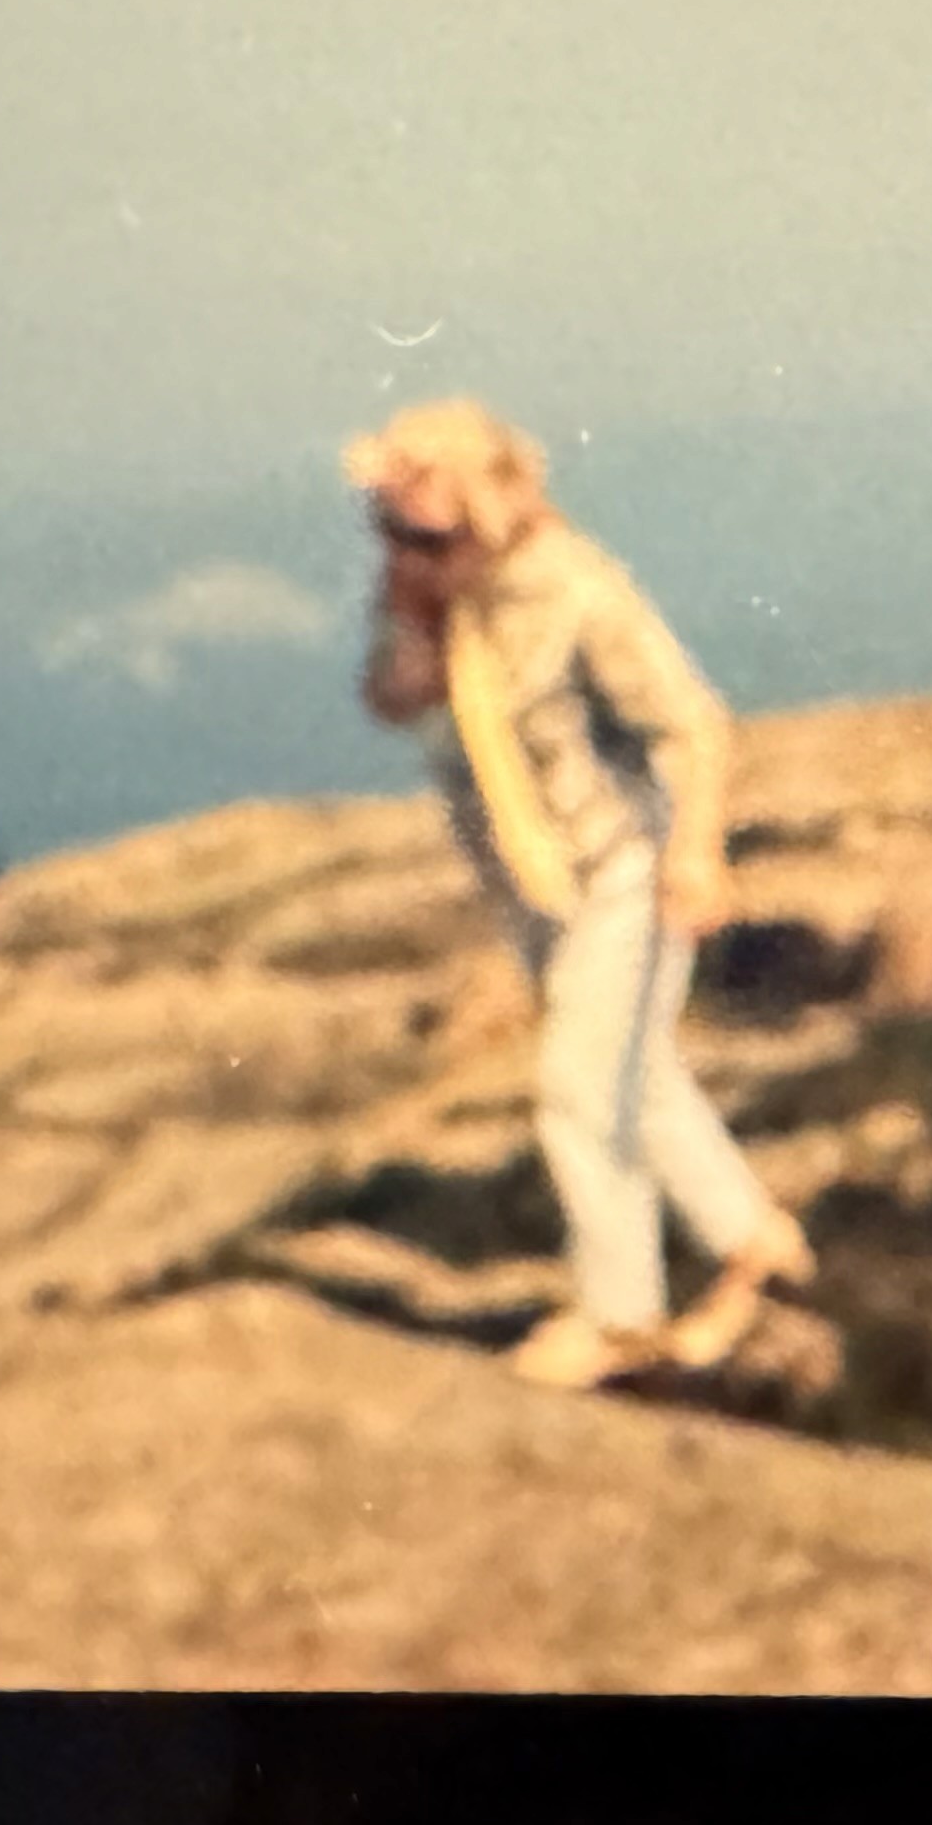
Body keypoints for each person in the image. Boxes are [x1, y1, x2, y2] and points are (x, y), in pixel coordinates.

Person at [346, 399, 814, 1390]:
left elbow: (692, 723)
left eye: (428, 530)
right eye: (390, 526)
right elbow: (391, 700)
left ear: (492, 505)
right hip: (535, 878)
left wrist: (696, 852)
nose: (407, 550)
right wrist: (415, 620)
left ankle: (620, 1315)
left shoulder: (577, 593)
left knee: (578, 1082)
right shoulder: (435, 595)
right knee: (635, 1073)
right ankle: (752, 1241)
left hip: (624, 871)